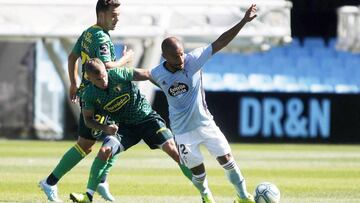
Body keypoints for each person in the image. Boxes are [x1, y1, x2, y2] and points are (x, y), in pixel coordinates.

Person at [150, 4, 258, 203]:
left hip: (205, 123)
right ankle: (206, 196)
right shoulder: (158, 73)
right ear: (165, 57)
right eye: (175, 55)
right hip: (182, 132)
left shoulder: (193, 60)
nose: (180, 58)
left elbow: (220, 42)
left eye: (181, 53)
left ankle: (243, 197)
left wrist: (243, 21)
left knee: (227, 159)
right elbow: (140, 74)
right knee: (198, 173)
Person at [39, 0, 133, 202]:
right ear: (101, 14)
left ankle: (101, 181)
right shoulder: (101, 38)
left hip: (96, 93)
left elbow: (72, 57)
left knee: (116, 133)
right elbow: (107, 67)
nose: (117, 19)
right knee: (85, 145)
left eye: (118, 14)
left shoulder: (89, 32)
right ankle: (50, 182)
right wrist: (126, 59)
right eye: (113, 15)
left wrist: (74, 83)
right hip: (96, 97)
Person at [69, 58, 192, 203]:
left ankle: (204, 190)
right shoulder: (89, 94)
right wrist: (105, 128)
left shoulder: (118, 74)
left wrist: (169, 90)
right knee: (104, 151)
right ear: (89, 78)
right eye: (98, 79)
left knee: (173, 150)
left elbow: (146, 74)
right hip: (124, 127)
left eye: (104, 75)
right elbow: (88, 120)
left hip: (147, 119)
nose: (104, 80)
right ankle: (88, 196)